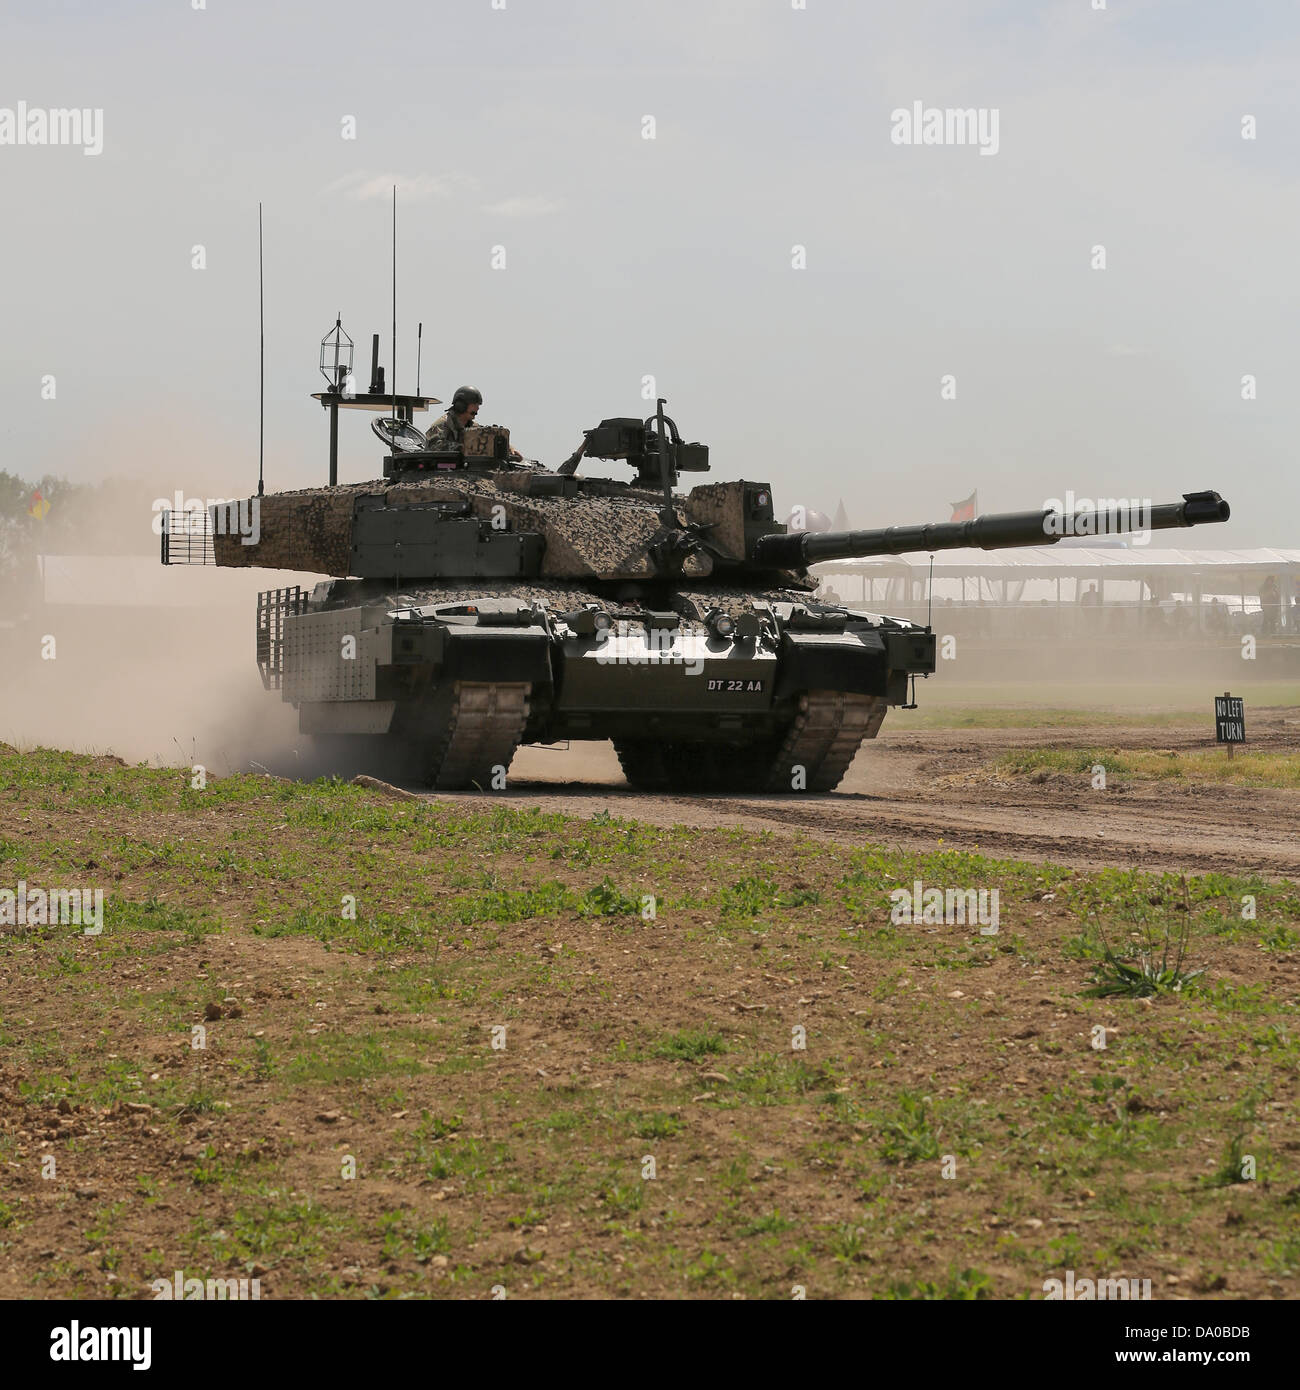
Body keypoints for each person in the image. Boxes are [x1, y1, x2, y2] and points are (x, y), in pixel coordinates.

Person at [425, 385, 523, 460]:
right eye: (474, 404)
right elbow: (433, 447)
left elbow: (489, 438)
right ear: (461, 405)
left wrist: (509, 448)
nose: (477, 408)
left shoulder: (472, 426)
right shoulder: (441, 424)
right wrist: (463, 448)